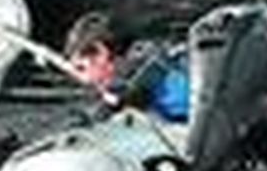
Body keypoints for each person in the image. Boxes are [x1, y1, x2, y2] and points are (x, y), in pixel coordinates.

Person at [63, 10, 191, 121]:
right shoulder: (138, 69)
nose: (84, 80)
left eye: (82, 68)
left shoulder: (159, 74)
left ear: (101, 52)